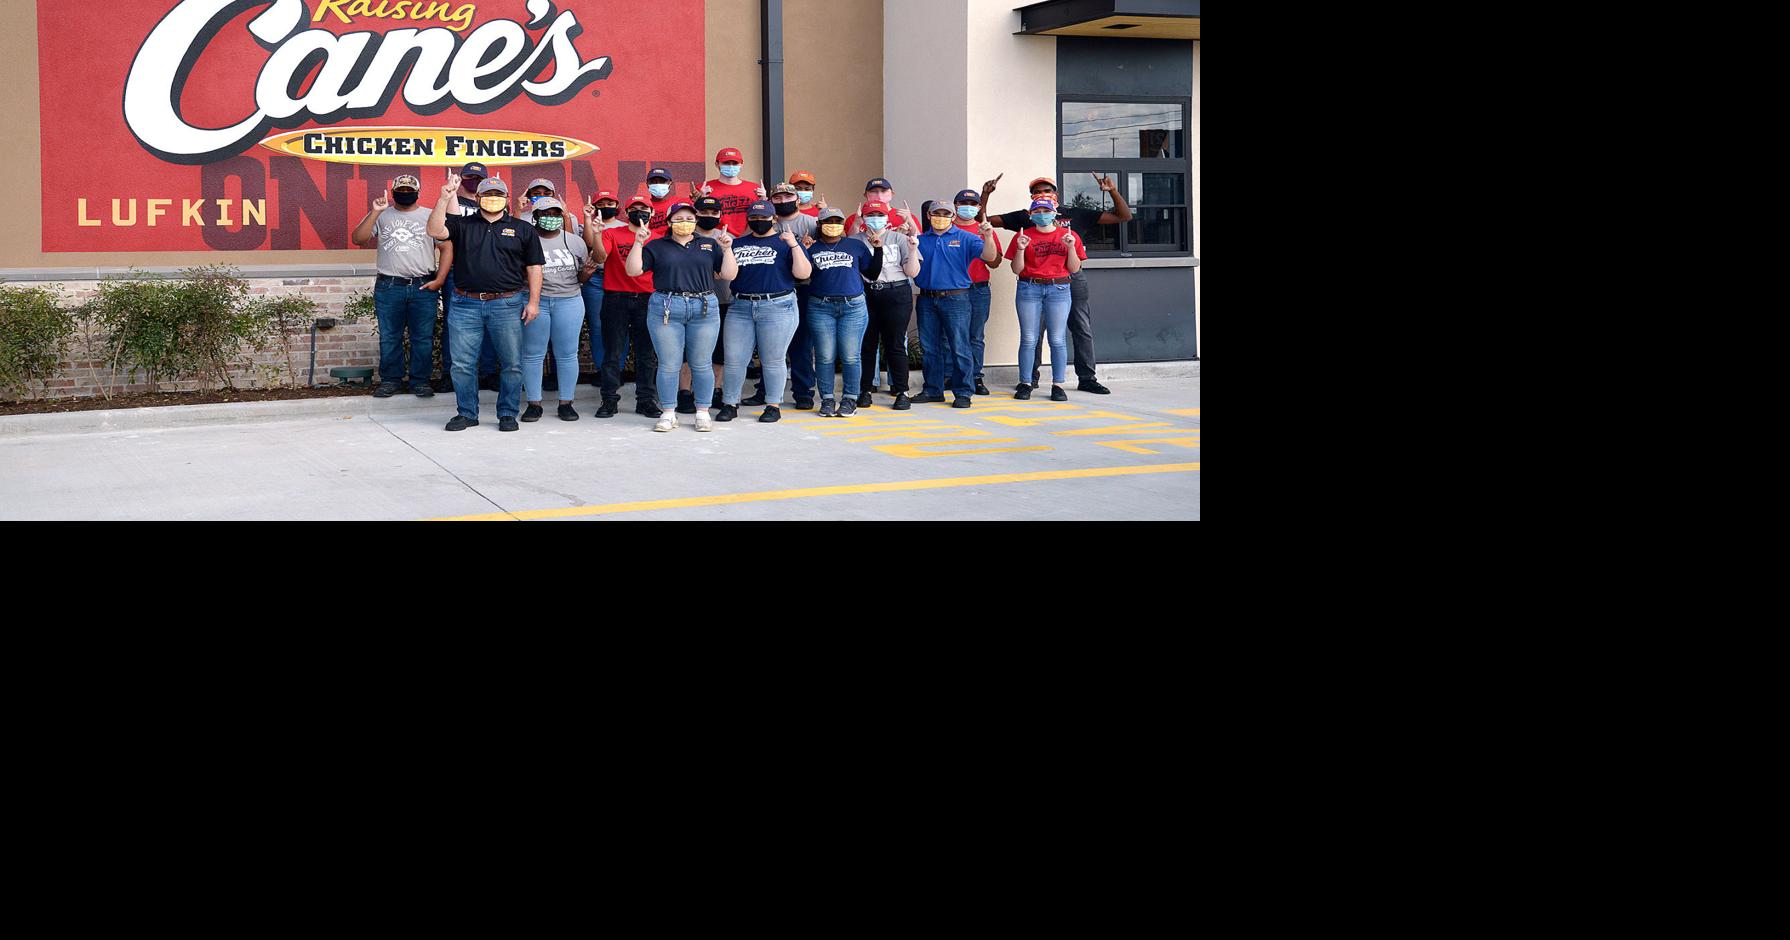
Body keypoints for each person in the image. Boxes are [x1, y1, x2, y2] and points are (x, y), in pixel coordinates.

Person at [979, 173, 1131, 395]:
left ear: (1056, 195)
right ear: (1032, 200)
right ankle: (1029, 379)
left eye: (1047, 191)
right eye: (1037, 192)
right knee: (1034, 332)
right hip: (1034, 281)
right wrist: (985, 195)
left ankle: (1087, 378)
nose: (1043, 195)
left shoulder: (1076, 213)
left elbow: (1123, 216)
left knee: (1080, 325)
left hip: (1070, 276)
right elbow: (982, 222)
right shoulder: (1025, 217)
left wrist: (1113, 192)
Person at [427, 173, 544, 432]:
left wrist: (533, 302)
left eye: (498, 195)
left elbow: (534, 267)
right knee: (462, 364)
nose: (493, 199)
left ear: (505, 198)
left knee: (511, 363)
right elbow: (435, 230)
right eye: (488, 195)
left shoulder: (523, 228)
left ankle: (507, 413)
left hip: (507, 303)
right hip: (465, 304)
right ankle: (467, 413)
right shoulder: (463, 225)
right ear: (478, 198)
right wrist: (444, 197)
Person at [625, 201, 737, 432]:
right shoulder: (656, 246)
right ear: (668, 222)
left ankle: (702, 412)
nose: (684, 223)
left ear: (695, 221)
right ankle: (668, 412)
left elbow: (728, 274)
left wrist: (727, 250)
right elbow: (633, 270)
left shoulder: (709, 244)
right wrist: (638, 242)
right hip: (666, 306)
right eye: (678, 219)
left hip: (704, 306)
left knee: (702, 363)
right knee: (668, 364)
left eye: (689, 218)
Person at [351, 173, 449, 399]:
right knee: (389, 336)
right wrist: (375, 211)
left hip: (423, 286)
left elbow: (446, 247)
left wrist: (440, 279)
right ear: (393, 192)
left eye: (409, 190)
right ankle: (391, 380)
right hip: (389, 286)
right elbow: (359, 238)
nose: (405, 194)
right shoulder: (382, 214)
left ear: (417, 192)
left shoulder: (429, 216)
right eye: (401, 190)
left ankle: (420, 381)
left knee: (422, 337)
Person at [720, 200, 810, 424]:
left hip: (777, 306)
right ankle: (730, 403)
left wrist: (794, 245)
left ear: (774, 218)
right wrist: (727, 249)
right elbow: (728, 275)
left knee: (773, 359)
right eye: (754, 218)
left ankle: (773, 405)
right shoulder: (738, 244)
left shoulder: (785, 242)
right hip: (741, 306)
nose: (759, 222)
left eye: (764, 218)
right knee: (734, 359)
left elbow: (803, 273)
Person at [513, 178, 596, 394]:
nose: (550, 218)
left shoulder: (575, 241)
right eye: (545, 214)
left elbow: (579, 277)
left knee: (567, 354)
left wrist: (585, 274)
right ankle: (534, 402)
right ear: (535, 217)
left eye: (555, 213)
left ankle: (566, 402)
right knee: (532, 354)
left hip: (569, 301)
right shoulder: (527, 239)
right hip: (534, 301)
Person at [912, 202, 998, 409]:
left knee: (959, 345)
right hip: (926, 298)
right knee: (930, 347)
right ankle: (933, 390)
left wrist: (988, 236)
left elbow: (989, 257)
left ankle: (963, 392)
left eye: (945, 213)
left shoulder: (966, 237)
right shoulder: (919, 240)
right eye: (936, 213)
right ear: (929, 215)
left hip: (956, 298)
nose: (940, 217)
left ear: (953, 216)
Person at [743, 182, 820, 409]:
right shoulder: (764, 221)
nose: (782, 201)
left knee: (801, 343)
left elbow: (833, 246)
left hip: (803, 287)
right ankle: (765, 391)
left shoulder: (810, 222)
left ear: (797, 199)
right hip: (772, 288)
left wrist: (807, 248)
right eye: (777, 198)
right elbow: (745, 241)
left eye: (788, 197)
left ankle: (803, 392)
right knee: (770, 347)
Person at [802, 206, 881, 417]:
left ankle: (850, 399)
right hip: (821, 306)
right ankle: (827, 399)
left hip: (853, 307)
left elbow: (872, 273)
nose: (833, 225)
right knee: (825, 356)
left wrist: (878, 249)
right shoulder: (812, 247)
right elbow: (800, 275)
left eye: (838, 221)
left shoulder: (854, 245)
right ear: (819, 225)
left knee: (851, 356)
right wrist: (802, 250)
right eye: (828, 221)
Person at [589, 194, 661, 418]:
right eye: (634, 208)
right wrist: (598, 234)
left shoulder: (659, 239)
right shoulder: (612, 233)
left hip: (648, 299)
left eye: (644, 208)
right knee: (613, 352)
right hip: (616, 298)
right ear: (626, 212)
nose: (639, 212)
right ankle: (609, 400)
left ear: (653, 213)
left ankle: (646, 400)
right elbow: (600, 257)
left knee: (646, 353)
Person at [1006, 197, 1083, 402]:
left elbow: (1074, 269)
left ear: (1054, 214)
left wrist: (1071, 247)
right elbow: (1016, 269)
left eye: (1046, 210)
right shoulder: (1023, 236)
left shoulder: (1068, 235)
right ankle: (1025, 383)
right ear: (1030, 215)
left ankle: (1058, 385)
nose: (1042, 214)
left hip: (1058, 288)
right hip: (1029, 287)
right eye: (1037, 211)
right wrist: (1021, 248)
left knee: (1057, 339)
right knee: (1029, 338)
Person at [436, 161, 500, 392]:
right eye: (469, 177)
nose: (473, 181)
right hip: (457, 271)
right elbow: (443, 230)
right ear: (461, 178)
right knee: (454, 326)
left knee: (490, 325)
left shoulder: (493, 205)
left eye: (478, 178)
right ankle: (449, 374)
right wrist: (449, 194)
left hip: (489, 272)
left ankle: (489, 373)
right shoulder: (453, 203)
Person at [853, 201, 920, 410]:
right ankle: (865, 390)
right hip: (867, 293)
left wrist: (912, 249)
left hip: (896, 291)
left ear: (887, 217)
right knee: (867, 344)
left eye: (879, 214)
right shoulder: (855, 241)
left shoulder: (899, 238)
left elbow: (912, 272)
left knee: (896, 344)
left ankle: (902, 391)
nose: (875, 218)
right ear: (863, 218)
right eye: (870, 214)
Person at [676, 195, 733, 413]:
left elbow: (731, 270)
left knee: (719, 350)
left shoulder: (728, 238)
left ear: (719, 215)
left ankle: (715, 390)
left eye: (713, 213)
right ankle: (685, 392)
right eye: (703, 212)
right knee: (689, 351)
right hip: (693, 301)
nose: (709, 216)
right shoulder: (686, 237)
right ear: (695, 215)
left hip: (724, 300)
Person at [950, 188, 1003, 396]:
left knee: (975, 335)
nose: (968, 208)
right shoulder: (947, 228)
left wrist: (986, 241)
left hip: (978, 289)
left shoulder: (985, 229)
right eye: (964, 203)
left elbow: (996, 263)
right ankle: (951, 375)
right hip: (953, 290)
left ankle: (975, 377)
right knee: (951, 335)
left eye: (973, 204)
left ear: (979, 208)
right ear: (955, 206)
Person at [699, 147, 766, 236]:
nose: (731, 166)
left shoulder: (754, 188)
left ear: (741, 164)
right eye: (726, 163)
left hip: (748, 238)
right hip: (716, 238)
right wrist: (701, 199)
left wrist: (763, 199)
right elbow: (695, 217)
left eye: (735, 163)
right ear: (717, 164)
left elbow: (764, 216)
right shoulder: (704, 188)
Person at [845, 178, 922, 235]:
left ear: (892, 194)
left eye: (884, 191)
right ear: (865, 195)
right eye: (873, 192)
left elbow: (919, 243)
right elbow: (850, 247)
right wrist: (856, 224)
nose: (879, 195)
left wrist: (910, 221)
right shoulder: (854, 219)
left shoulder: (906, 216)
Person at [645, 167, 677, 236]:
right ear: (647, 184)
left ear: (670, 184)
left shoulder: (680, 203)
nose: (658, 184)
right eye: (653, 181)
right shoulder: (644, 206)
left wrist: (698, 200)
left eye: (662, 181)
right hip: (651, 244)